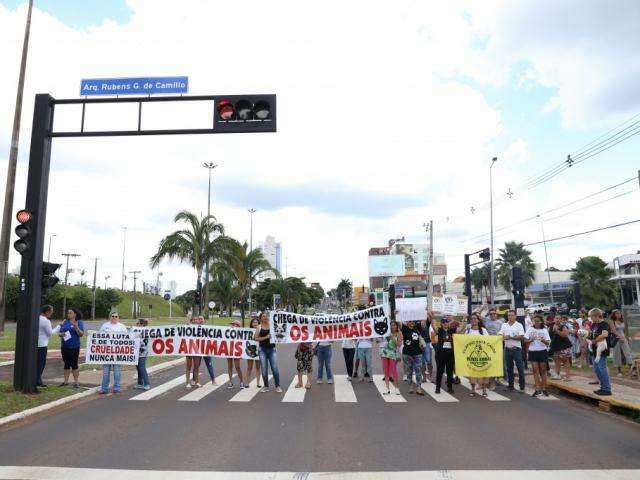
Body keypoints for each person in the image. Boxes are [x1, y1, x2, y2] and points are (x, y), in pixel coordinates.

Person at [99, 312, 128, 394]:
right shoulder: (105, 326)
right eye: (113, 316)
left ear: (118, 317)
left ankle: (117, 387)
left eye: (116, 316)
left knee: (117, 371)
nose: (114, 317)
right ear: (110, 317)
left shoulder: (122, 327)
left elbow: (127, 339)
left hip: (117, 353)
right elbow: (98, 336)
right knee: (105, 372)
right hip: (106, 352)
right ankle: (104, 388)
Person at [254, 311, 282, 393]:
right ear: (260, 318)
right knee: (264, 369)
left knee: (275, 369)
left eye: (266, 316)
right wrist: (266, 337)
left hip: (272, 349)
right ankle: (266, 386)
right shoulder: (259, 327)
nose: (265, 317)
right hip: (262, 350)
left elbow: (279, 332)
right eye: (263, 316)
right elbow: (256, 338)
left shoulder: (272, 326)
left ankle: (278, 386)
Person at [499, 310, 526, 393]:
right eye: (509, 315)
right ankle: (511, 386)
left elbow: (521, 337)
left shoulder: (519, 325)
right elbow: (500, 334)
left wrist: (510, 337)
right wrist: (502, 336)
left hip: (516, 349)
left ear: (515, 316)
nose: (510, 317)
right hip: (507, 349)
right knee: (509, 368)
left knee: (520, 368)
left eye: (512, 315)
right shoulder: (504, 325)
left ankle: (522, 387)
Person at [59, 307, 85, 388]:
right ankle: (65, 382)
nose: (68, 314)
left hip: (74, 346)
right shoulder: (65, 321)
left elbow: (81, 334)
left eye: (70, 313)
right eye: (68, 313)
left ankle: (76, 382)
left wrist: (76, 327)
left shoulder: (79, 322)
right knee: (66, 364)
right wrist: (61, 334)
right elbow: (60, 332)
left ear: (75, 314)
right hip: (64, 346)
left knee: (74, 364)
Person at [525, 314, 551, 397]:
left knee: (543, 370)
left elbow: (548, 342)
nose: (536, 322)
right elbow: (525, 340)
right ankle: (537, 388)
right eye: (534, 321)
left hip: (542, 351)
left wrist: (543, 340)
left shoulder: (544, 330)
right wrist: (530, 340)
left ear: (541, 322)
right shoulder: (530, 329)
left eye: (538, 321)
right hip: (533, 351)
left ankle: (544, 388)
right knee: (535, 369)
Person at [589, 308, 612, 396]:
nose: (591, 319)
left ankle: (607, 389)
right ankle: (602, 387)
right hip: (594, 350)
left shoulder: (604, 324)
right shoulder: (594, 324)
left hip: (602, 350)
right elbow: (591, 334)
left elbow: (605, 334)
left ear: (597, 316)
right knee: (597, 369)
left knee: (602, 369)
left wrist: (595, 340)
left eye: (592, 317)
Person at [465, 314, 489, 397]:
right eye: (471, 319)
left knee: (484, 372)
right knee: (472, 373)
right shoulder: (468, 331)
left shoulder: (483, 330)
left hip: (482, 355)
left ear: (478, 320)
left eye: (475, 319)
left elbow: (489, 341)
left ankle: (484, 389)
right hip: (472, 356)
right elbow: (464, 341)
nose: (473, 320)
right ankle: (473, 389)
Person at [430, 317, 456, 394]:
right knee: (440, 371)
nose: (445, 323)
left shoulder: (452, 330)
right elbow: (434, 326)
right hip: (440, 354)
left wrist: (464, 318)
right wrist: (432, 317)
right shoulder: (440, 330)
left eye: (447, 322)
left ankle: (450, 387)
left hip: (450, 354)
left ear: (449, 323)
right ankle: (437, 388)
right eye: (443, 322)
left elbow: (461, 329)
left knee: (450, 372)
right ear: (441, 323)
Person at [400, 320, 425, 395]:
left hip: (417, 353)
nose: (411, 323)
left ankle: (419, 387)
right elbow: (399, 322)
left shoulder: (417, 328)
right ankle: (410, 386)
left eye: (413, 321)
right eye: (410, 321)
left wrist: (425, 311)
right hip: (407, 353)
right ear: (407, 322)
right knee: (409, 371)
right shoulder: (404, 328)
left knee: (418, 371)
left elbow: (424, 321)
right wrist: (396, 314)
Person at [380, 320, 402, 395]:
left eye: (394, 325)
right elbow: (380, 340)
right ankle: (387, 388)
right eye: (391, 325)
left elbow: (399, 344)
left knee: (394, 371)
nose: (393, 326)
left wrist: (392, 337)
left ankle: (396, 388)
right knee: (386, 371)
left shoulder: (399, 333)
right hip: (385, 353)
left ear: (397, 326)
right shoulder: (386, 332)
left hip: (393, 353)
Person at [549, 316, 572, 381]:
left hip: (564, 346)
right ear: (554, 319)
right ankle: (557, 375)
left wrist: (557, 330)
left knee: (565, 361)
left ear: (561, 320)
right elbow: (550, 335)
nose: (557, 320)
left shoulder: (563, 326)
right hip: (555, 346)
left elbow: (565, 335)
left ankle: (568, 377)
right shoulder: (551, 327)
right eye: (556, 318)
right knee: (557, 361)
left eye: (559, 318)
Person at [610, 310, 633, 376]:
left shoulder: (623, 321)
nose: (618, 314)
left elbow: (625, 331)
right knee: (617, 354)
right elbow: (614, 331)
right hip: (616, 339)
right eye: (616, 313)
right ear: (614, 315)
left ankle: (631, 369)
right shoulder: (612, 321)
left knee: (627, 352)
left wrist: (624, 337)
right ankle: (619, 370)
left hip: (623, 338)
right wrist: (620, 337)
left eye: (619, 313)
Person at [37, 305, 54, 388]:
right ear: (47, 312)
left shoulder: (37, 318)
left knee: (35, 363)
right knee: (41, 364)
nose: (52, 313)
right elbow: (50, 333)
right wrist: (58, 327)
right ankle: (38, 380)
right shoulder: (46, 321)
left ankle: (35, 379)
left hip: (35, 344)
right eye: (51, 311)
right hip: (42, 345)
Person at [226, 319, 246, 389]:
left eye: (235, 324)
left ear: (238, 326)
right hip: (229, 350)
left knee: (237, 367)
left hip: (236, 351)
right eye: (232, 324)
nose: (233, 325)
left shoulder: (241, 333)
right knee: (229, 366)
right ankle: (230, 382)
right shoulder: (228, 332)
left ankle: (241, 381)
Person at [134, 318, 150, 390]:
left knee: (142, 368)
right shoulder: (137, 331)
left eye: (137, 323)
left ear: (141, 324)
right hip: (136, 352)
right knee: (138, 368)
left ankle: (147, 383)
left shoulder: (145, 332)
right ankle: (140, 383)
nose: (136, 325)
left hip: (142, 352)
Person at [245, 317, 262, 388]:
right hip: (250, 351)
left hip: (259, 351)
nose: (255, 323)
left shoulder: (261, 330)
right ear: (251, 324)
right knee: (249, 367)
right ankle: (247, 383)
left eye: (256, 322)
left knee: (258, 367)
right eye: (253, 322)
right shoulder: (247, 330)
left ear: (259, 324)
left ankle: (258, 383)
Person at [420, 311, 433, 382]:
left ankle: (431, 376)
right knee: (422, 362)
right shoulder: (417, 324)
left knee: (429, 361)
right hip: (419, 345)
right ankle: (424, 377)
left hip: (427, 344)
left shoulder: (427, 324)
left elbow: (431, 318)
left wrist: (427, 312)